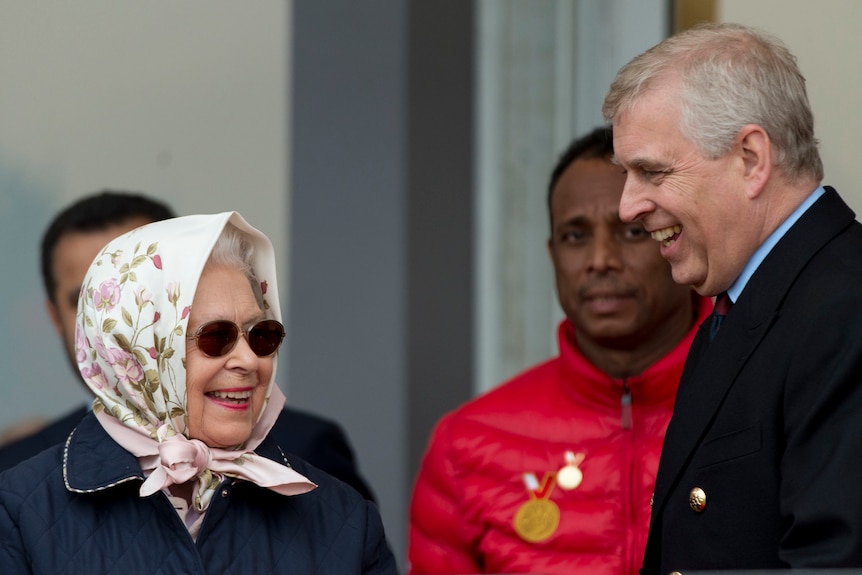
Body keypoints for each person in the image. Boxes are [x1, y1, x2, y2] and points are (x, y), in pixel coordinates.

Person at [0, 212, 397, 573]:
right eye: (215, 336)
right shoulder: (19, 514)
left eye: (262, 334)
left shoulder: (345, 519)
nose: (249, 360)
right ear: (136, 352)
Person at [603, 23, 862, 572]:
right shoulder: (748, 304)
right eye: (626, 175)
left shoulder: (844, 310)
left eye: (652, 172)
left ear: (751, 158)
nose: (627, 207)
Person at [408, 127, 711, 575]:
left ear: (677, 238)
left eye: (631, 230)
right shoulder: (466, 444)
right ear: (552, 255)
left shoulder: (764, 411)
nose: (600, 259)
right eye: (575, 236)